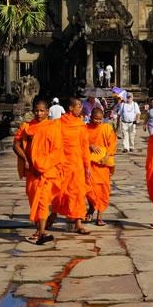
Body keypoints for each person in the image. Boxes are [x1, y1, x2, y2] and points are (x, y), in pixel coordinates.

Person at [13, 99, 63, 245]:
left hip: (46, 170)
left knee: (42, 200)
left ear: (48, 112)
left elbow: (57, 149)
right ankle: (39, 229)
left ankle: (42, 232)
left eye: (42, 111)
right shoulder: (27, 127)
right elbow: (16, 145)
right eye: (36, 110)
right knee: (33, 199)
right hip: (31, 170)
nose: (39, 113)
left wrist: (44, 165)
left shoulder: (53, 127)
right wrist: (26, 160)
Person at [53, 97, 92, 235]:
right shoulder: (59, 123)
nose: (80, 108)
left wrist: (87, 166)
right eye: (78, 106)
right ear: (70, 108)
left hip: (77, 164)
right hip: (62, 163)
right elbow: (52, 141)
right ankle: (53, 214)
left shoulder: (81, 125)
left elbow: (84, 146)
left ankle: (78, 223)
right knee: (59, 191)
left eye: (81, 106)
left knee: (78, 193)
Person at [85, 107, 116, 226]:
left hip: (103, 164)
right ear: (90, 117)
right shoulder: (85, 128)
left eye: (100, 119)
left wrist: (106, 157)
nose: (97, 121)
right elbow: (80, 142)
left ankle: (100, 215)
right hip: (90, 163)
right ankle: (91, 208)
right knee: (89, 190)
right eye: (95, 119)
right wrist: (90, 145)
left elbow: (112, 144)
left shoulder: (107, 128)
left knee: (103, 190)